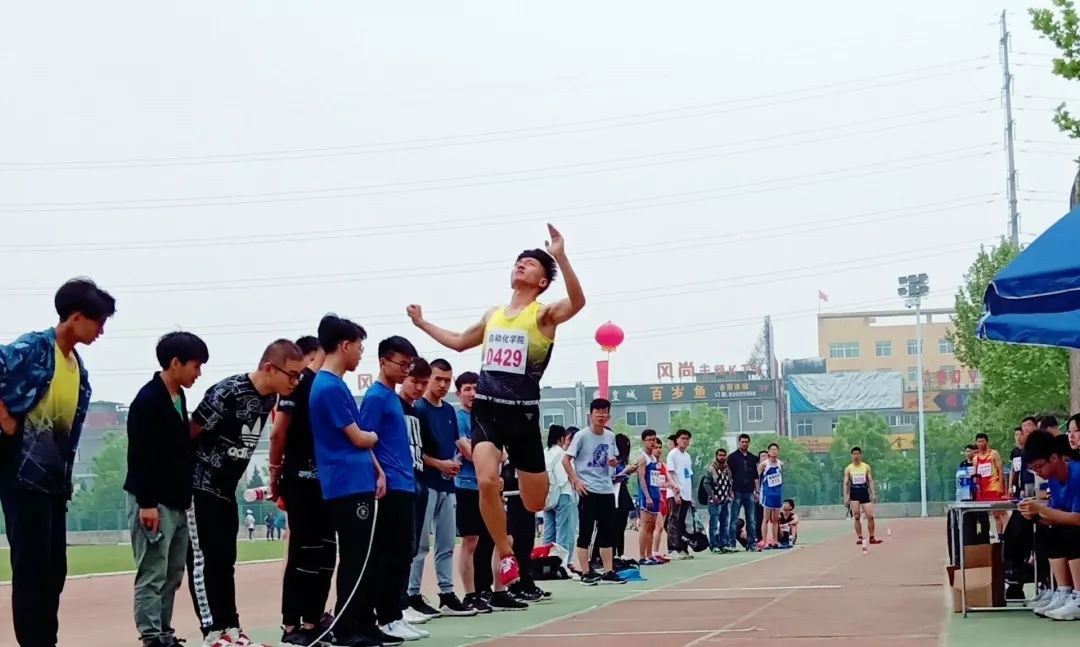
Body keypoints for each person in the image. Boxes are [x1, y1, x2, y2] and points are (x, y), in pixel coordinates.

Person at [407, 223, 586, 585]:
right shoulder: (494, 315)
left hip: (522, 414)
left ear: (542, 282)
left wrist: (560, 256)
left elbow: (578, 302)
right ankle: (506, 554)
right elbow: (459, 342)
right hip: (487, 410)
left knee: (534, 502)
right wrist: (422, 322)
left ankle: (514, 539)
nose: (521, 264)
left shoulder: (543, 315)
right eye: (518, 261)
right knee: (487, 481)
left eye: (530, 263)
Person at [0, 278, 115, 647]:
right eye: (98, 322)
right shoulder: (35, 348)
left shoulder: (76, 366)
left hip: (54, 484)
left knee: (53, 572)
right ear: (76, 317)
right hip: (22, 479)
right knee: (32, 572)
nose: (101, 331)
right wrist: (5, 418)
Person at [186, 339, 305, 647]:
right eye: (291, 375)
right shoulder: (227, 392)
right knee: (204, 560)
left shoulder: (268, 400)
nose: (295, 382)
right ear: (269, 368)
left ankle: (232, 630)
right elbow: (189, 433)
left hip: (227, 490)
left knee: (226, 560)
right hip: (200, 487)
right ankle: (212, 633)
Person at [309, 316, 396, 647]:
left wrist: (377, 468)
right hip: (346, 482)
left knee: (366, 555)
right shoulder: (328, 386)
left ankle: (362, 621)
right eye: (359, 346)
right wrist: (375, 436)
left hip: (358, 477)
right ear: (344, 345)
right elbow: (358, 437)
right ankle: (346, 627)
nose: (361, 353)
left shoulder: (337, 384)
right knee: (356, 556)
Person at [124, 331, 208, 647]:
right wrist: (146, 504)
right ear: (175, 363)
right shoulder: (147, 402)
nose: (198, 374)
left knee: (173, 572)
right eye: (195, 366)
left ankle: (164, 630)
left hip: (177, 500)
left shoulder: (178, 397)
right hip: (152, 501)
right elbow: (140, 457)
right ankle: (151, 635)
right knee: (152, 572)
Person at [268, 335, 337, 646]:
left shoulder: (323, 387)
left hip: (325, 482)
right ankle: (291, 624)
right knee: (303, 552)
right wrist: (274, 473)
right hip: (299, 479)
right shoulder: (295, 389)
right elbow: (278, 432)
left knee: (325, 552)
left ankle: (314, 619)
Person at [362, 335, 429, 642]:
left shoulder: (393, 398)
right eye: (401, 364)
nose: (405, 371)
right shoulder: (375, 397)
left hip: (406, 481)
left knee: (404, 552)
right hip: (388, 485)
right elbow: (366, 440)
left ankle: (395, 613)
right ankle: (385, 617)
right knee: (388, 554)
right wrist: (378, 473)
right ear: (383, 362)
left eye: (408, 365)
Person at [409, 359, 476, 618]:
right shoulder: (418, 409)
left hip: (448, 485)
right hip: (425, 483)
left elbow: (456, 445)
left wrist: (454, 464)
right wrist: (439, 464)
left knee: (447, 542)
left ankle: (447, 593)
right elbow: (416, 450)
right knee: (421, 544)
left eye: (447, 380)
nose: (442, 384)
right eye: (437, 379)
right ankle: (412, 594)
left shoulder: (449, 411)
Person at [1019, 430, 1080, 621]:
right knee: (1046, 533)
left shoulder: (1077, 474)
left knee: (1073, 533)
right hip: (1072, 523)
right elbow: (1056, 518)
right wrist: (1035, 516)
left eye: (1039, 467)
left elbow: (1077, 519)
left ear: (1054, 458)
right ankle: (1063, 591)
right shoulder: (1053, 480)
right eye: (1033, 469)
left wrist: (1040, 509)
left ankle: (1079, 596)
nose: (1037, 472)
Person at [397, 358, 440, 625]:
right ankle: (397, 604)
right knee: (400, 547)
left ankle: (403, 602)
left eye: (424, 384)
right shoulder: (393, 405)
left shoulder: (417, 412)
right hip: (401, 481)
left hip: (419, 479)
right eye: (415, 381)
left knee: (412, 546)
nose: (419, 388)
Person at [564, 399, 624, 585]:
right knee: (586, 531)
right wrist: (575, 481)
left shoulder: (609, 436)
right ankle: (585, 572)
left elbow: (610, 459)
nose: (601, 415)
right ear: (590, 415)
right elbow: (566, 460)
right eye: (597, 411)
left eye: (604, 412)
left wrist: (613, 463)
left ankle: (608, 571)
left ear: (609, 415)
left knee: (608, 531)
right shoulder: (581, 436)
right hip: (588, 489)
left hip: (606, 489)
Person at [452, 371, 495, 614]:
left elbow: (502, 453)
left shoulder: (486, 419)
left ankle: (486, 589)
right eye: (467, 388)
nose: (472, 393)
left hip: (488, 486)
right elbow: (469, 453)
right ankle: (469, 594)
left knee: (491, 540)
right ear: (459, 393)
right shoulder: (458, 418)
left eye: (476, 388)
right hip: (466, 484)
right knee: (470, 541)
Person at [542, 425, 577, 562]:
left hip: (547, 497)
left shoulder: (545, 452)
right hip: (563, 494)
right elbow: (563, 478)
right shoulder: (562, 454)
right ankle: (563, 563)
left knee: (549, 532)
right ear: (562, 438)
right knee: (565, 531)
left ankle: (545, 562)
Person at [843, 447, 882, 545]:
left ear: (860, 455)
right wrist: (846, 497)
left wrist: (873, 493)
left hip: (864, 492)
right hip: (854, 493)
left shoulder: (866, 467)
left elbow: (870, 480)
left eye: (857, 454)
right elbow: (846, 483)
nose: (856, 456)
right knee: (856, 516)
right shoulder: (848, 468)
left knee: (870, 516)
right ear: (851, 455)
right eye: (854, 454)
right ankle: (860, 537)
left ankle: (872, 537)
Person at [665, 430, 695, 559]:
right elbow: (670, 474)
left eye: (687, 439)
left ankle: (683, 548)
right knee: (674, 520)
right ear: (677, 440)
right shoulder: (672, 455)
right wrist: (676, 493)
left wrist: (690, 496)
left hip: (686, 494)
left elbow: (688, 475)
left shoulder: (687, 456)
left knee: (682, 522)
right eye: (682, 438)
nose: (685, 441)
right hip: (676, 493)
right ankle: (672, 548)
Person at [727, 434, 758, 552]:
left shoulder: (752, 458)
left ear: (749, 443)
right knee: (734, 518)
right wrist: (730, 491)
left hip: (749, 491)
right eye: (742, 442)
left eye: (746, 442)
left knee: (751, 519)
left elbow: (756, 476)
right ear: (739, 443)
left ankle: (751, 544)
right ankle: (731, 543)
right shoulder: (732, 457)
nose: (744, 444)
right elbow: (729, 476)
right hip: (736, 492)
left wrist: (757, 491)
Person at [634, 430, 661, 563]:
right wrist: (647, 496)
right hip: (646, 496)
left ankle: (650, 555)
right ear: (644, 441)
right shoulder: (642, 458)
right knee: (645, 525)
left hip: (655, 494)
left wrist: (658, 494)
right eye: (649, 439)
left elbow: (655, 478)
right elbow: (641, 479)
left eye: (654, 439)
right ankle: (641, 556)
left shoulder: (654, 459)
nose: (652, 442)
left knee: (652, 526)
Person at [973, 432, 1008, 538]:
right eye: (978, 441)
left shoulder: (993, 454)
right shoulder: (976, 459)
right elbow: (975, 475)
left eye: (982, 441)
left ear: (986, 442)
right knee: (994, 514)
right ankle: (999, 536)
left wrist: (1001, 486)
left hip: (995, 487)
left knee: (1001, 512)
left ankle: (1007, 534)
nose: (980, 443)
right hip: (983, 490)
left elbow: (1000, 470)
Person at [704, 448, 734, 553]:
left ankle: (724, 544)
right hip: (715, 501)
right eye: (720, 455)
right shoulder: (711, 469)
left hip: (725, 500)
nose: (722, 457)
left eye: (723, 455)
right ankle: (714, 545)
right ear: (716, 456)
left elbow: (730, 483)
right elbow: (706, 484)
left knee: (725, 524)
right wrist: (712, 497)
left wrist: (730, 494)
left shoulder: (727, 469)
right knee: (714, 524)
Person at [758, 443, 783, 550]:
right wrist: (758, 491)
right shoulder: (764, 464)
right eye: (772, 449)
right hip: (767, 494)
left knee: (775, 519)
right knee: (766, 518)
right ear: (768, 452)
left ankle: (775, 540)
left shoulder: (780, 464)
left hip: (777, 494)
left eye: (776, 449)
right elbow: (758, 478)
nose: (774, 451)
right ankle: (764, 541)